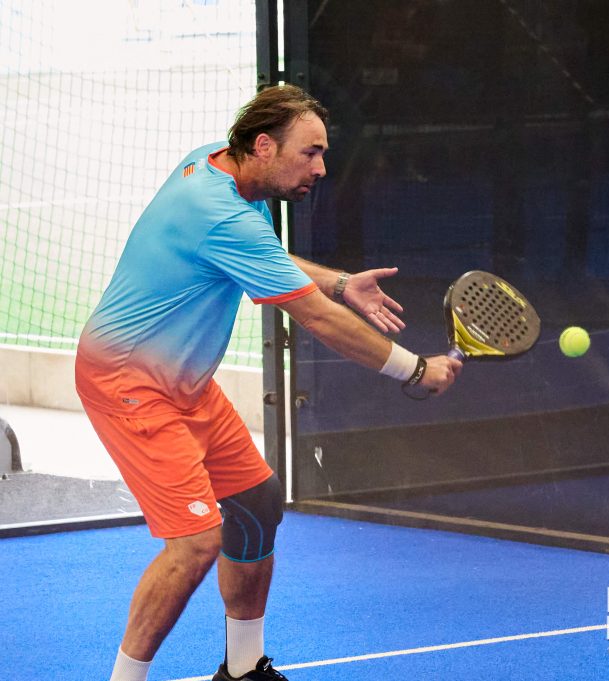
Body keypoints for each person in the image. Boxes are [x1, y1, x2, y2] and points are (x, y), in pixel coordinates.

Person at [75, 83, 462, 681]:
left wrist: (340, 282)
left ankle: (243, 669)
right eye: (310, 152)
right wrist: (415, 367)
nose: (321, 167)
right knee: (196, 543)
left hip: (185, 382)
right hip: (126, 380)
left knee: (255, 502)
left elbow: (265, 257)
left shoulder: (219, 168)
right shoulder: (219, 211)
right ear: (263, 146)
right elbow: (317, 319)